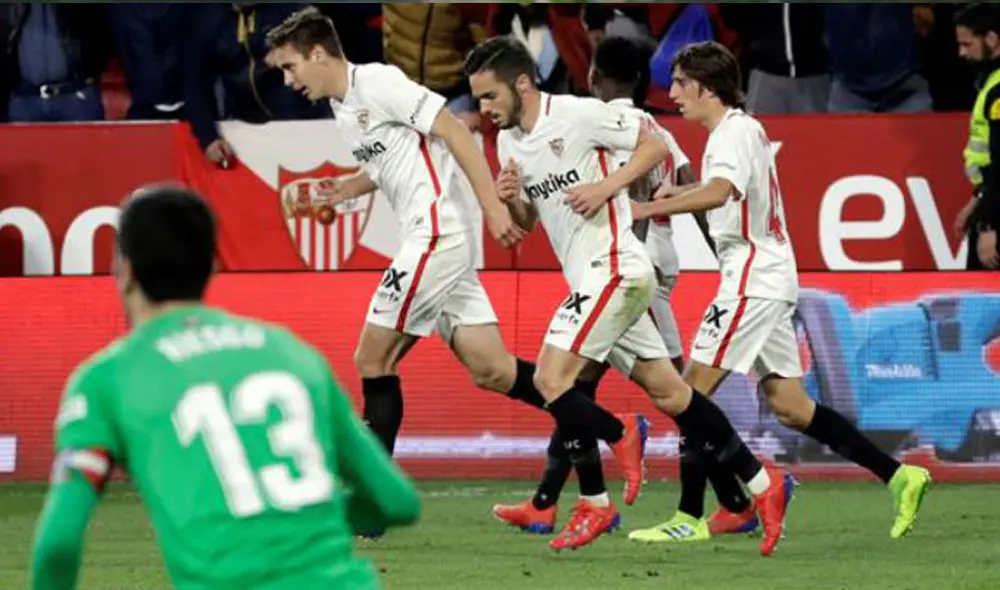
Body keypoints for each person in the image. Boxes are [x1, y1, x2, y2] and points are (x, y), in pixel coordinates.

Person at [264, 7, 648, 521]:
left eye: (290, 67)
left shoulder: (377, 82)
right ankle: (617, 429)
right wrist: (341, 189)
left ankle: (371, 505)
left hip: (436, 236)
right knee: (493, 370)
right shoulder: (346, 107)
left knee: (370, 360)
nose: (288, 81)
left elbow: (453, 130)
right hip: (437, 245)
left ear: (317, 53)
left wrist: (491, 205)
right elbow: (386, 166)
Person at [466, 35, 790, 556]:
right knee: (672, 393)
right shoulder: (509, 143)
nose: (484, 109)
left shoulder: (578, 114)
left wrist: (605, 187)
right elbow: (533, 219)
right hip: (594, 279)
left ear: (521, 83)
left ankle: (596, 499)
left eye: (489, 97)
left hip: (616, 267)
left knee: (552, 377)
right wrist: (516, 203)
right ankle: (761, 485)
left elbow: (657, 144)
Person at [30, 185, 419, 590]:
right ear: (212, 266)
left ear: (123, 268)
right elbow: (396, 501)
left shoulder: (106, 379)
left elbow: (57, 544)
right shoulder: (290, 354)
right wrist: (299, 513)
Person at [630, 41, 932, 544]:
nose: (674, 92)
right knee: (790, 403)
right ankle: (900, 475)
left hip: (751, 276)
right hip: (769, 273)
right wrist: (680, 191)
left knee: (685, 393)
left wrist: (649, 209)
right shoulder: (741, 130)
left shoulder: (730, 133)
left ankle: (691, 515)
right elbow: (728, 189)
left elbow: (723, 192)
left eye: (681, 82)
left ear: (706, 88)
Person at [491, 35, 711, 536]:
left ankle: (696, 500)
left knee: (578, 383)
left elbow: (665, 168)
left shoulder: (588, 117)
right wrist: (512, 201)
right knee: (604, 387)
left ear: (592, 76)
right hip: (623, 263)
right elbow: (688, 179)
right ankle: (552, 501)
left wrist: (614, 195)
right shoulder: (537, 133)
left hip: (626, 264)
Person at [954, 3, 1000, 270]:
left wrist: (990, 227)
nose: (961, 52)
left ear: (992, 39)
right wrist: (976, 201)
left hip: (995, 219)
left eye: (967, 43)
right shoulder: (991, 82)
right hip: (989, 201)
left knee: (981, 307)